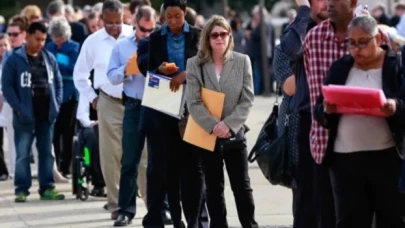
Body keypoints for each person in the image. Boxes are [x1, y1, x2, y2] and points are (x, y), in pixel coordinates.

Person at [314, 15, 405, 228]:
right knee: (349, 220)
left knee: (392, 219)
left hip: (387, 159)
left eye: (363, 42)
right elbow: (319, 110)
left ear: (379, 38)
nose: (357, 49)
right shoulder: (340, 68)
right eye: (351, 43)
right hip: (345, 162)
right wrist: (327, 109)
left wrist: (394, 106)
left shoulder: (395, 66)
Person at [185, 15, 258, 228]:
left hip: (235, 134)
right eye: (215, 35)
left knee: (242, 188)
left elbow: (247, 99)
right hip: (208, 136)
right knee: (214, 190)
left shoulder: (242, 61)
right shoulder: (195, 64)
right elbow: (193, 102)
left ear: (229, 36)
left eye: (223, 34)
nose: (219, 39)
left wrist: (228, 125)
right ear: (207, 38)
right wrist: (214, 126)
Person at [138, 0, 203, 227]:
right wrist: (160, 69)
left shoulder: (198, 35)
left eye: (178, 16)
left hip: (192, 107)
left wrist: (186, 74)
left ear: (185, 13)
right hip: (162, 108)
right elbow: (143, 65)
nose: (174, 21)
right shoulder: (155, 38)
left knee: (192, 168)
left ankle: (195, 219)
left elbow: (207, 63)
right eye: (169, 17)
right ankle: (168, 218)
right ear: (163, 15)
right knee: (163, 168)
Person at [73, 0, 133, 220]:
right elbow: (79, 76)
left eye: (118, 22)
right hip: (108, 102)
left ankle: (151, 200)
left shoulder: (133, 36)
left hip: (135, 101)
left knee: (142, 153)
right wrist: (92, 99)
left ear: (124, 17)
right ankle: (116, 205)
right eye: (110, 23)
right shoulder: (93, 42)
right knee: (110, 155)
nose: (115, 27)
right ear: (101, 20)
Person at [279, 0, 332, 227]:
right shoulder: (296, 31)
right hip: (304, 123)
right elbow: (291, 52)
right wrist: (302, 11)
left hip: (340, 124)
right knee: (306, 201)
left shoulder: (348, 29)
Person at [1, 22, 63, 202]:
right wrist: (19, 109)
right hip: (24, 115)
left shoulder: (49, 58)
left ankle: (47, 187)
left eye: (44, 40)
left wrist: (56, 104)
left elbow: (58, 83)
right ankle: (21, 189)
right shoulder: (14, 59)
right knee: (22, 154)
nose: (41, 43)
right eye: (37, 39)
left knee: (46, 153)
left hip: (46, 114)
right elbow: (7, 86)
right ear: (27, 35)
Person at [106, 5, 156, 227]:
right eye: (143, 30)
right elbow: (111, 76)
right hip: (134, 106)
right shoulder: (122, 46)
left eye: (151, 29)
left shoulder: (160, 43)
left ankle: (159, 208)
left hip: (157, 105)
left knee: (158, 161)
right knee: (130, 161)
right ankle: (125, 210)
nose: (147, 34)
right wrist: (127, 70)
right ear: (135, 23)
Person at [46, 16, 80, 178]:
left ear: (66, 35)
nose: (57, 39)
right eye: (54, 36)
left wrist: (56, 65)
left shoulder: (74, 47)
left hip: (70, 96)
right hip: (52, 95)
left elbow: (73, 69)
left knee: (67, 133)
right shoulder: (49, 47)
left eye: (60, 36)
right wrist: (61, 65)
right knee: (54, 132)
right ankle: (55, 167)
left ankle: (66, 167)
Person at [76, 94, 106, 196]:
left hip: (113, 124)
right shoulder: (87, 90)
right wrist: (92, 123)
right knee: (93, 135)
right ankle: (98, 183)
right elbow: (81, 114)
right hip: (91, 126)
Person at [0, 33, 10, 181]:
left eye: (5, 45)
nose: (2, 48)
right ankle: (2, 170)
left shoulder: (12, 61)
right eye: (0, 46)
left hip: (9, 102)